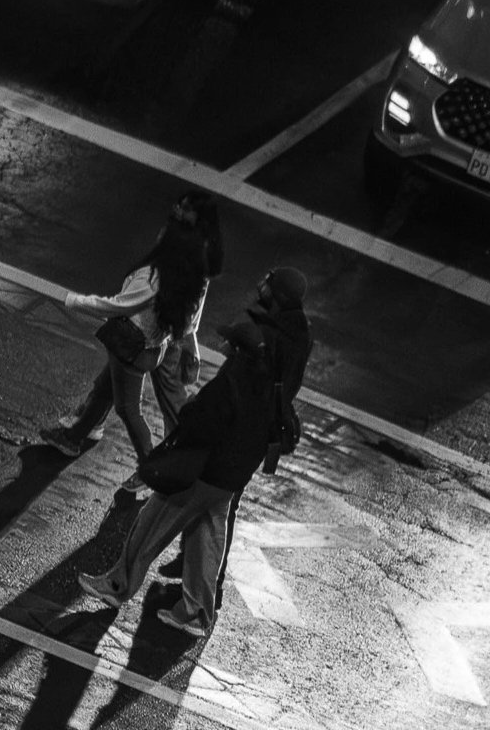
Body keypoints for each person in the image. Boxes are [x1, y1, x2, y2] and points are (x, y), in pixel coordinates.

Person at [76, 266, 313, 637]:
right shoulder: (294, 345)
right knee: (208, 529)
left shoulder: (257, 349)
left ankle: (118, 585)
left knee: (157, 513)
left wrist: (189, 419)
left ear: (276, 295)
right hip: (240, 463)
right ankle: (197, 613)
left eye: (267, 281)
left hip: (214, 458)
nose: (259, 283)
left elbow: (224, 402)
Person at [41, 190, 223, 486]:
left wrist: (74, 300)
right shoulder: (192, 276)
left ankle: (150, 467)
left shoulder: (154, 276)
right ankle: (72, 437)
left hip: (132, 346)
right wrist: (193, 351)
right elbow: (191, 322)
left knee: (128, 409)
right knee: (104, 388)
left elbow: (117, 305)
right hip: (151, 347)